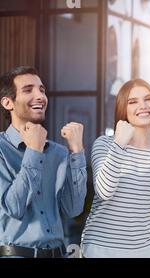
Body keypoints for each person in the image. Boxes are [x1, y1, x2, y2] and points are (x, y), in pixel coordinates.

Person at [80, 79, 150, 258]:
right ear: (123, 109)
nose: (143, 105)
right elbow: (104, 191)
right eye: (133, 102)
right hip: (100, 250)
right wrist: (119, 143)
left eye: (148, 99)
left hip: (144, 251)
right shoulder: (105, 144)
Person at [0, 66, 86, 258]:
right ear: (7, 103)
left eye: (42, 90)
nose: (40, 96)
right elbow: (14, 207)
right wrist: (34, 151)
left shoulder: (59, 152)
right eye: (28, 90)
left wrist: (77, 152)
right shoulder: (1, 150)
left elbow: (73, 209)